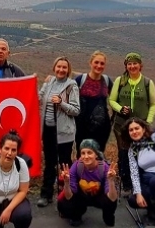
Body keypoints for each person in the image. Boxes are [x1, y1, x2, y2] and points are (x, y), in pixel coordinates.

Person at [109, 52, 155, 193]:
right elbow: (112, 100)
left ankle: (141, 182)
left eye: (135, 63)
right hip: (121, 126)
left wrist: (148, 121)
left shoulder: (148, 83)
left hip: (140, 126)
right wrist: (120, 108)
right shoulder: (120, 81)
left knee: (140, 154)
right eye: (129, 64)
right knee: (124, 154)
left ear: (140, 65)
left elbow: (154, 104)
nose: (132, 66)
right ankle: (126, 184)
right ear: (126, 66)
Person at [37, 56, 81, 208]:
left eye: (64, 67)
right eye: (59, 67)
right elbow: (39, 98)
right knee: (49, 162)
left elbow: (76, 110)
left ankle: (66, 195)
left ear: (68, 70)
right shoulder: (49, 82)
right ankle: (46, 193)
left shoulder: (71, 85)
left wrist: (61, 103)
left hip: (64, 131)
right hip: (48, 130)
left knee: (64, 164)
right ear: (54, 68)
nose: (61, 70)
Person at [57, 139, 118, 227]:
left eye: (89, 153)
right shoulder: (77, 166)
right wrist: (67, 183)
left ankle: (108, 217)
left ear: (96, 154)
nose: (86, 156)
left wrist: (111, 181)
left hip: (99, 197)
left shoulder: (104, 168)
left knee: (110, 202)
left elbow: (112, 198)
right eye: (83, 153)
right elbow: (69, 197)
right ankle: (76, 216)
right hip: (82, 197)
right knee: (64, 205)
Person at [74, 51, 114, 149]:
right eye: (96, 62)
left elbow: (115, 101)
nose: (99, 66)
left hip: (102, 127)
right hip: (82, 127)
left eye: (102, 63)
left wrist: (112, 120)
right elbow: (65, 92)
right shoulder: (80, 80)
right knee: (83, 156)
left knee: (99, 156)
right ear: (90, 63)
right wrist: (52, 79)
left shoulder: (107, 81)